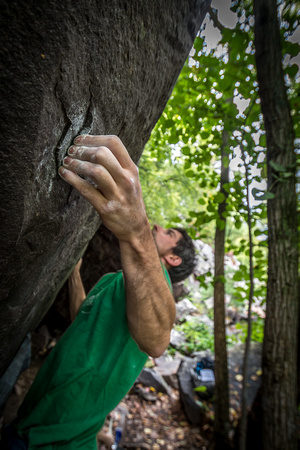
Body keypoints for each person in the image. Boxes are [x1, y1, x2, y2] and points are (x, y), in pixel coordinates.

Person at [2, 135, 195, 449]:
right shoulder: (114, 281)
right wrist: (74, 274)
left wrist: (136, 231)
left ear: (172, 258)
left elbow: (157, 340)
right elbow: (85, 318)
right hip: (38, 415)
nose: (158, 227)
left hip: (57, 441)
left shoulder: (158, 291)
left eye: (168, 232)